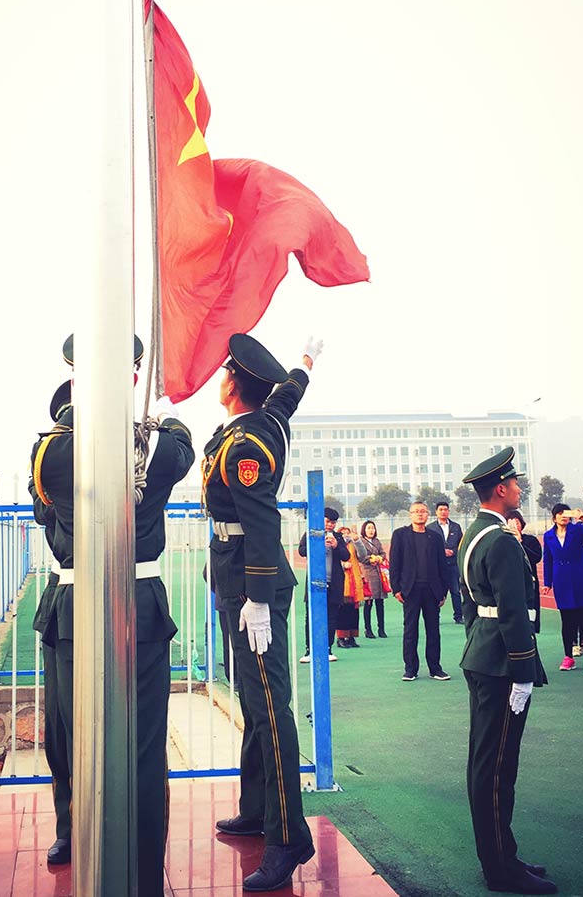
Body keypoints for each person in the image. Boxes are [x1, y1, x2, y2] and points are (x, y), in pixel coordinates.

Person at [31, 334, 194, 897]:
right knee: (136, 749)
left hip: (77, 607)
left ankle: (95, 856)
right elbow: (180, 446)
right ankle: (137, 871)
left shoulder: (53, 451)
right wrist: (152, 415)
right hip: (132, 607)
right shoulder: (159, 446)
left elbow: (46, 511)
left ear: (76, 376)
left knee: (77, 738)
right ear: (133, 376)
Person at [203, 333, 322, 892]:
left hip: (254, 591)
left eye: (225, 372)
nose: (220, 378)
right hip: (239, 583)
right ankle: (256, 809)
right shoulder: (266, 421)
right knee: (253, 702)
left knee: (271, 710)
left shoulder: (246, 446)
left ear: (235, 385)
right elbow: (287, 397)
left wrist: (256, 598)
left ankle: (288, 837)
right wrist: (305, 364)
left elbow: (262, 522)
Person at [459, 448, 555, 895]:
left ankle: (503, 854)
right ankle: (500, 869)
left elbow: (469, 605)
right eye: (514, 483)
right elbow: (514, 610)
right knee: (496, 767)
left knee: (489, 763)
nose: (518, 488)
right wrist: (522, 669)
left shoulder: (475, 533)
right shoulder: (499, 539)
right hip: (501, 663)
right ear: (500, 489)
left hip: (483, 653)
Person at [28, 379, 73, 865]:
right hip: (63, 597)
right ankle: (69, 826)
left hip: (115, 593)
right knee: (60, 729)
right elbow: (43, 508)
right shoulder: (51, 463)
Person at [389, 502, 450, 681]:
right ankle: (410, 669)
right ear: (410, 514)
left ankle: (435, 668)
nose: (420, 514)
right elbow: (395, 564)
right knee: (410, 630)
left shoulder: (435, 537)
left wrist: (443, 591)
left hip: (432, 591)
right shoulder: (400, 535)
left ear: (428, 514)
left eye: (423, 511)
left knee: (433, 631)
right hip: (410, 590)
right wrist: (396, 589)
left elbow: (442, 565)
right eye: (416, 512)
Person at [541, 504, 583, 672]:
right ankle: (568, 657)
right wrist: (547, 583)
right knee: (567, 622)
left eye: (566, 513)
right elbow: (548, 560)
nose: (563, 516)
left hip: (580, 579)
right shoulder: (548, 536)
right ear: (554, 517)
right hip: (561, 582)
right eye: (560, 513)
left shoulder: (578, 530)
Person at [298, 508, 350, 662]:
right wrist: (318, 544)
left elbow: (346, 556)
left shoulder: (338, 537)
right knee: (311, 616)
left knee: (331, 617)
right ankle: (309, 651)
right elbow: (302, 551)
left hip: (334, 583)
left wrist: (336, 546)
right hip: (315, 583)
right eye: (327, 521)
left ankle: (328, 649)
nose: (330, 525)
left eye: (333, 522)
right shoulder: (311, 533)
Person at [506, 509, 543, 633]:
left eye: (517, 522)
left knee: (530, 615)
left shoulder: (530, 540)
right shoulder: (502, 541)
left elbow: (536, 557)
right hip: (511, 584)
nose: (514, 526)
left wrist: (519, 541)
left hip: (529, 584)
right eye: (510, 522)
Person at [357, 520, 389, 638]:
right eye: (369, 528)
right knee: (368, 602)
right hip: (368, 574)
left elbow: (383, 553)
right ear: (364, 530)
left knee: (380, 602)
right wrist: (371, 558)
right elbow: (360, 557)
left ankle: (381, 629)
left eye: (373, 528)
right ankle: (368, 629)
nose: (371, 530)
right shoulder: (360, 542)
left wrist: (380, 558)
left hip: (378, 574)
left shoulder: (377, 541)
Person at [434, 500, 464, 623]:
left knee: (456, 591)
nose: (443, 512)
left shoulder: (456, 527)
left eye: (445, 509)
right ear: (436, 512)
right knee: (438, 592)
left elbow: (461, 544)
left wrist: (453, 552)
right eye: (441, 510)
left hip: (453, 565)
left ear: (449, 511)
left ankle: (458, 616)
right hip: (438, 566)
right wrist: (442, 552)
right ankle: (434, 616)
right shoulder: (431, 528)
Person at [335, 526, 364, 648]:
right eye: (343, 533)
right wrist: (343, 565)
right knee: (343, 612)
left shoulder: (353, 545)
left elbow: (363, 556)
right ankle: (341, 637)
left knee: (354, 612)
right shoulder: (336, 545)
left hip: (355, 583)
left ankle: (351, 637)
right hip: (342, 583)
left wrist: (357, 541)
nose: (346, 535)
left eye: (348, 533)